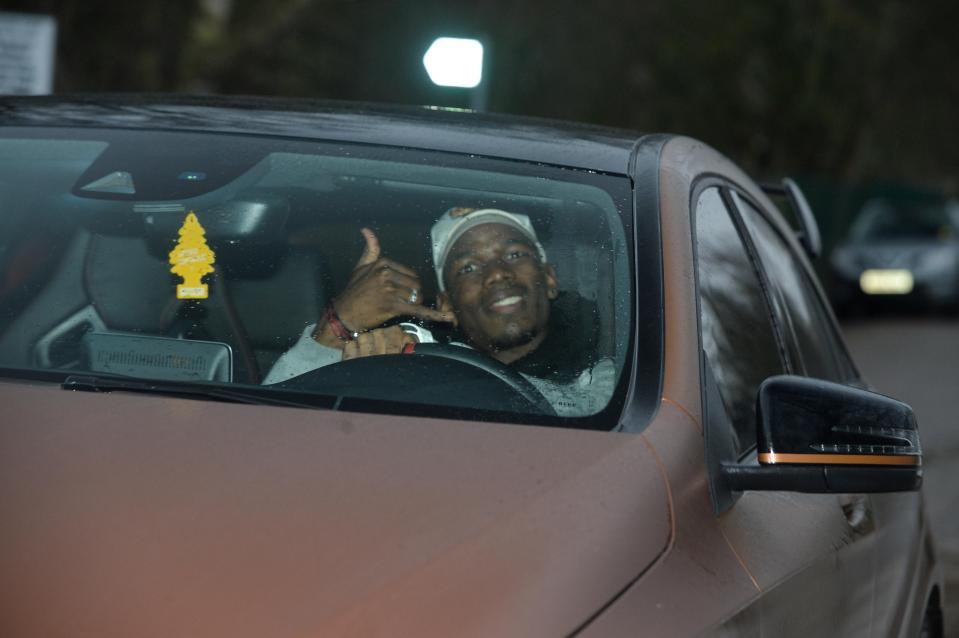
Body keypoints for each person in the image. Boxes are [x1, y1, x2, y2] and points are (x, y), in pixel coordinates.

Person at [263, 207, 615, 416]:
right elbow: (267, 429)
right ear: (447, 306)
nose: (496, 274)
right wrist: (338, 329)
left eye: (514, 255)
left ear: (550, 278)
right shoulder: (404, 356)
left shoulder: (606, 380)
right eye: (468, 268)